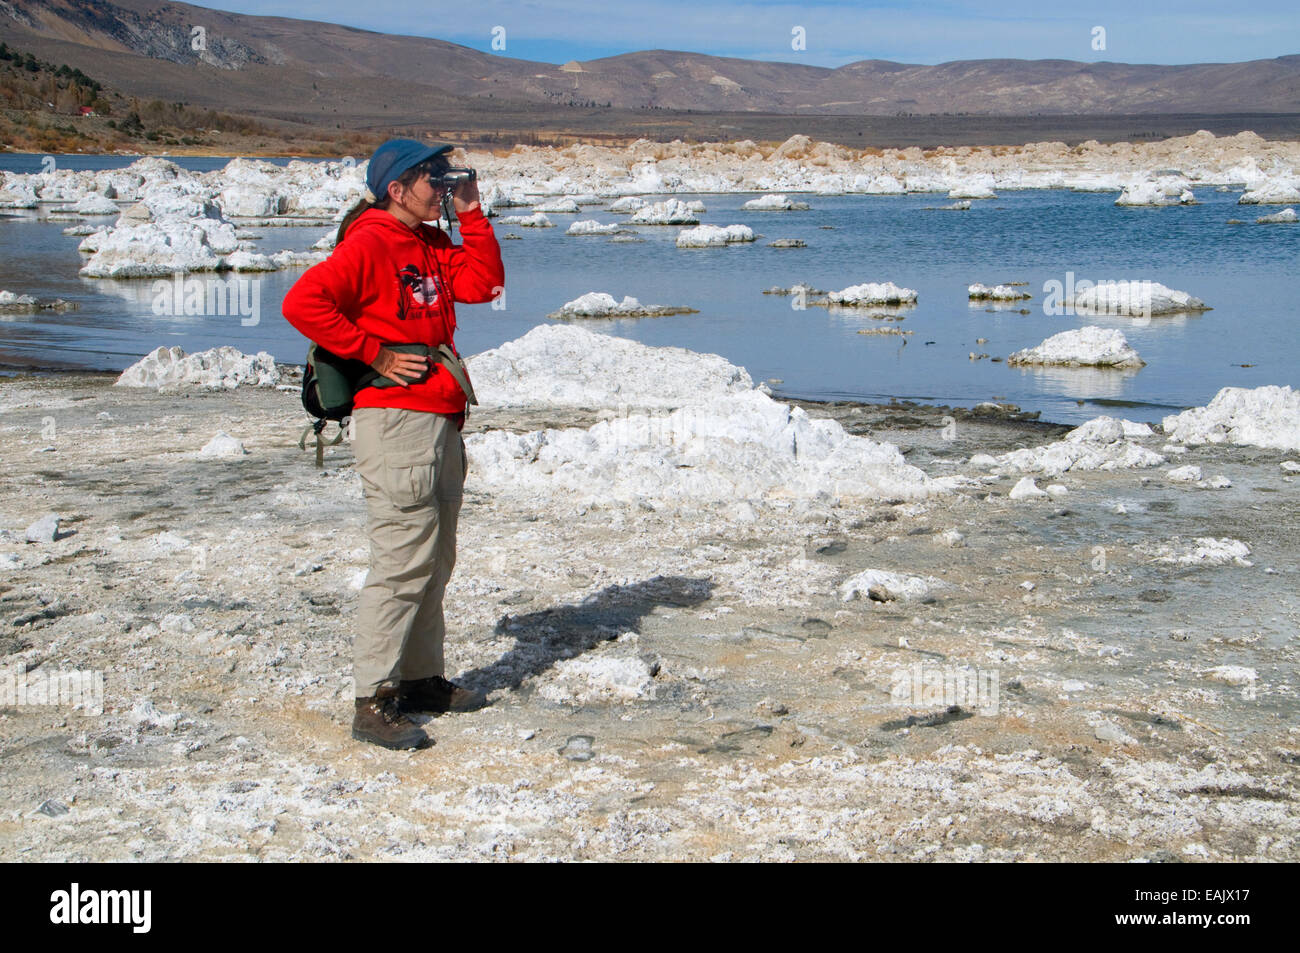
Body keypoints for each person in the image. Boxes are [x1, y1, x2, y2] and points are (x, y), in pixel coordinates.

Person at [282, 139, 505, 750]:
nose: (441, 185)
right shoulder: (373, 241)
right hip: (397, 420)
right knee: (401, 562)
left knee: (435, 559)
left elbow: (483, 285)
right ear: (396, 190)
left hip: (438, 416)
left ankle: (421, 680)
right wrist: (375, 352)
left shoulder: (429, 242)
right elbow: (303, 302)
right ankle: (373, 700)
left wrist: (473, 213)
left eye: (443, 175)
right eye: (430, 178)